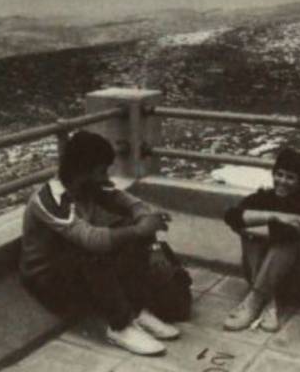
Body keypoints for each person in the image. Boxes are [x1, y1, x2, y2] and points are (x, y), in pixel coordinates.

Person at [19, 130, 180, 356]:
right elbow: (90, 239)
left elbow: (134, 205)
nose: (106, 177)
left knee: (127, 231)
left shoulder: (89, 185)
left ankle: (136, 310)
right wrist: (140, 229)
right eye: (102, 170)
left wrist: (145, 224)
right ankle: (120, 326)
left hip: (78, 268)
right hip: (48, 278)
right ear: (82, 170)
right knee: (96, 247)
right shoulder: (49, 199)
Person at [222, 146, 300, 332]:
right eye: (279, 174)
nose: (282, 181)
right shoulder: (262, 198)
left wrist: (248, 228)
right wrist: (277, 216)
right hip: (262, 276)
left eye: (290, 177)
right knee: (254, 234)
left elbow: (289, 234)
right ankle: (269, 301)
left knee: (286, 240)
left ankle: (254, 300)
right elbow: (231, 216)